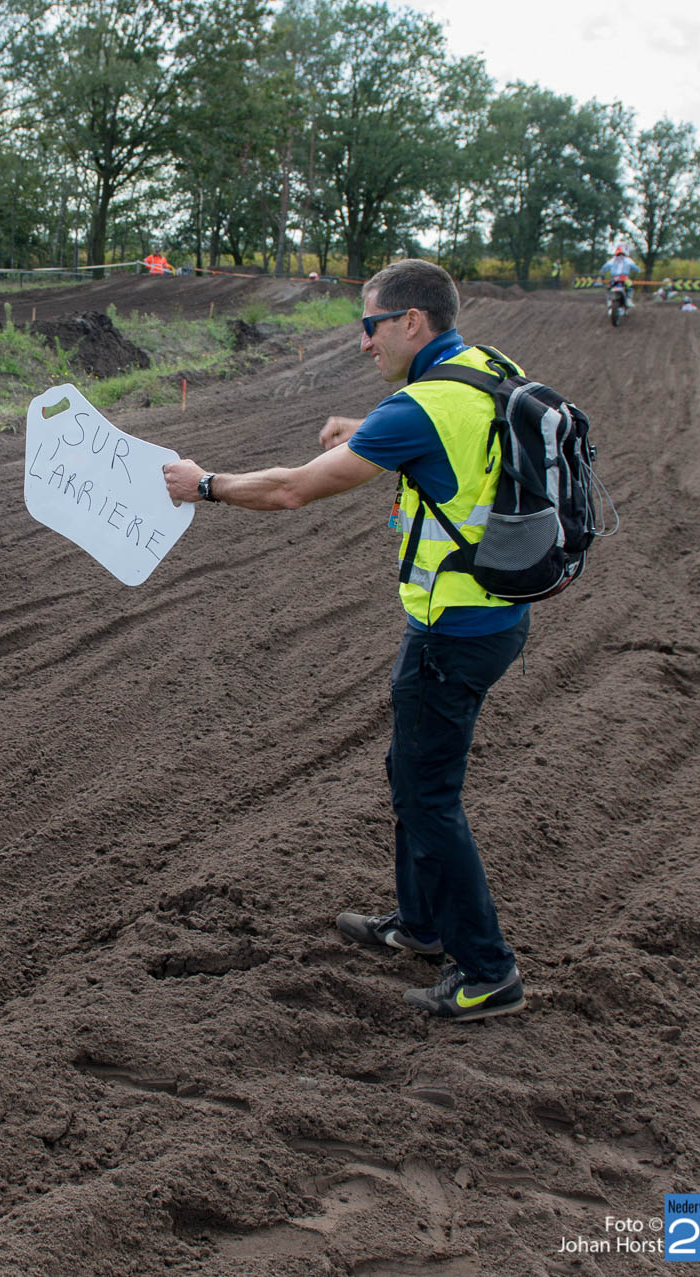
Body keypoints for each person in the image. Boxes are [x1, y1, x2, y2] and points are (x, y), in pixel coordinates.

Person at [161, 258, 530, 1022]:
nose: (363, 343)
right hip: (492, 613)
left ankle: (488, 971)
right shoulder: (488, 369)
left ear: (410, 322)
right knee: (411, 773)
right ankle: (422, 923)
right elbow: (462, 447)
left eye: (370, 326)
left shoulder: (421, 405)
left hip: (452, 628)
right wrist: (366, 431)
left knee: (429, 797)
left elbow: (293, 488)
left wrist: (206, 484)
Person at [599, 243, 640, 311]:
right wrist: (638, 271)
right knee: (630, 286)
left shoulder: (613, 259)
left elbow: (604, 268)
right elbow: (635, 268)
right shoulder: (627, 259)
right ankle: (628, 299)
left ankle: (609, 300)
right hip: (624, 278)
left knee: (609, 287)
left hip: (614, 278)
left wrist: (602, 272)